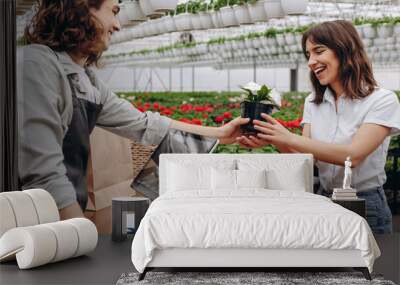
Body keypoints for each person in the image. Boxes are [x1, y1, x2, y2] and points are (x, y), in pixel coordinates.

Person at [18, 0, 249, 220]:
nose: (117, 25)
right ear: (82, 8)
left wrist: (220, 133)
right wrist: (77, 232)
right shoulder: (37, 65)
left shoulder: (87, 80)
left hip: (61, 223)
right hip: (37, 226)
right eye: (114, 11)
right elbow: (43, 173)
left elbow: (145, 124)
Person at [237, 20, 400, 234]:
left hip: (364, 203)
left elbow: (354, 155)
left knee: (369, 267)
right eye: (308, 55)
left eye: (319, 51)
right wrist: (274, 140)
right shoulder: (313, 101)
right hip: (324, 198)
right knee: (327, 267)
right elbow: (307, 158)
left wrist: (289, 137)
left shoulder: (381, 100)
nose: (311, 62)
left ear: (345, 50)